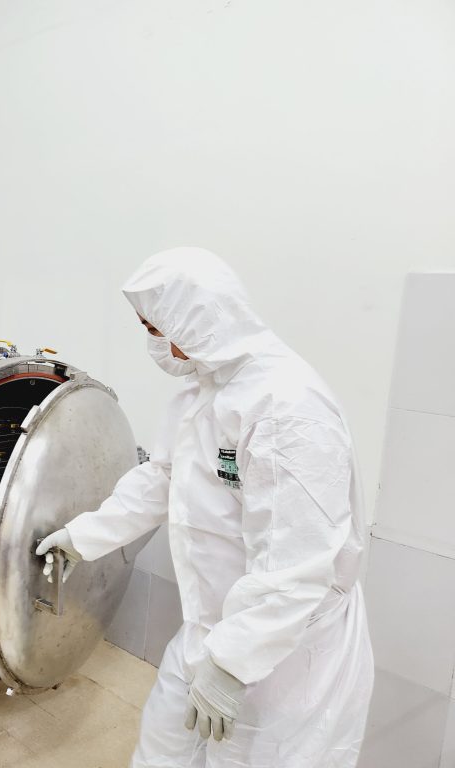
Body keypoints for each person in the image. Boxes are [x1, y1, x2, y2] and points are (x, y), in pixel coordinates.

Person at [36, 247, 373, 768]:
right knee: (163, 751)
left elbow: (297, 564)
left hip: (288, 649)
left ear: (193, 321)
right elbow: (163, 480)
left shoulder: (286, 408)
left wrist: (234, 663)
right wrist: (83, 537)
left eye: (155, 328)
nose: (153, 343)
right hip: (211, 630)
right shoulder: (203, 393)